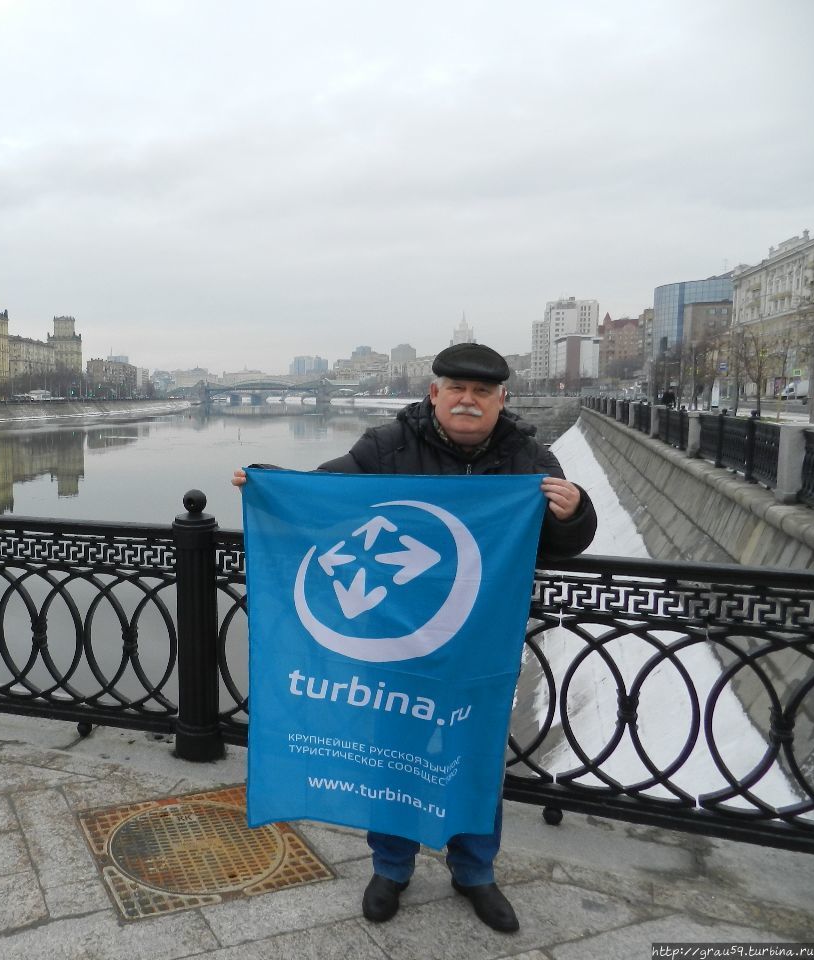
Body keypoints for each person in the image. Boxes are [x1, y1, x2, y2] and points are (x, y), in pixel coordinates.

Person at [232, 342, 597, 934]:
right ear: (435, 394)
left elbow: (566, 543)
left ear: (501, 400)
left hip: (478, 644)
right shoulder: (387, 445)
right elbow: (328, 497)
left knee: (474, 755)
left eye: (482, 393)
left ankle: (475, 872)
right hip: (396, 641)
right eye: (457, 389)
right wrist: (270, 484)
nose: (468, 400)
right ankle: (391, 867)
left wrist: (573, 511)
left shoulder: (530, 458)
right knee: (394, 751)